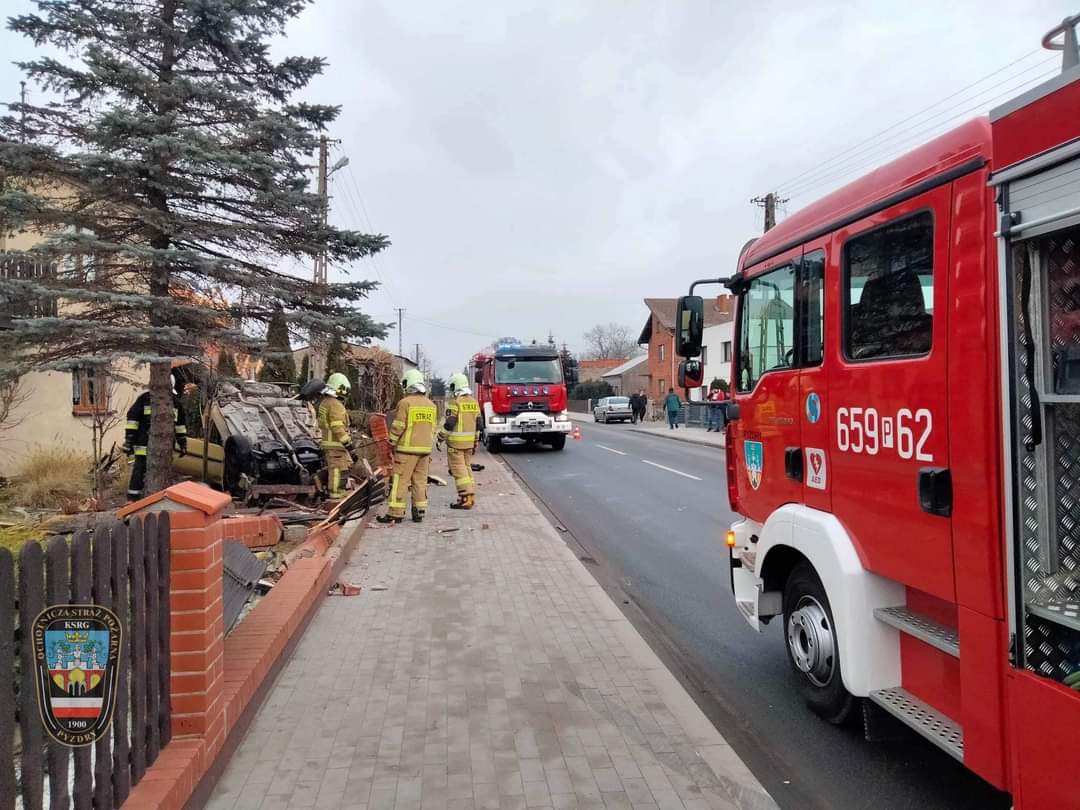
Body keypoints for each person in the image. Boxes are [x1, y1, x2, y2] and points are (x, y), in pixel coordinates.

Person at [378, 369, 437, 524]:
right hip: (425, 451)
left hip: (406, 451)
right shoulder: (431, 405)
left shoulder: (405, 403)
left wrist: (391, 442)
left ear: (409, 384)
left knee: (400, 481)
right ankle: (419, 512)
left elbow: (398, 425)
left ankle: (395, 513)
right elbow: (433, 427)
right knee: (420, 481)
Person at [124, 373, 187, 501]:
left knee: (147, 470)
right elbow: (133, 419)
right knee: (140, 469)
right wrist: (129, 440)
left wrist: (183, 443)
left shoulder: (174, 402)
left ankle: (141, 498)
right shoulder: (146, 399)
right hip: (146, 445)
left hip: (159, 447)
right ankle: (132, 499)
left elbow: (180, 425)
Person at [437, 372, 481, 510]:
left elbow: (449, 424)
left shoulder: (455, 403)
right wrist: (476, 441)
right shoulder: (474, 403)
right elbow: (479, 424)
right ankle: (471, 496)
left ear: (455, 386)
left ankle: (465, 498)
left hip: (455, 445)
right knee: (467, 468)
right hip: (469, 444)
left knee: (459, 470)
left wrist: (440, 438)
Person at [317, 372, 355, 501]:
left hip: (329, 443)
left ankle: (338, 492)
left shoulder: (325, 402)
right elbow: (338, 427)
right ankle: (335, 496)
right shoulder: (335, 404)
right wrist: (349, 444)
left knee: (338, 470)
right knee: (338, 471)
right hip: (336, 444)